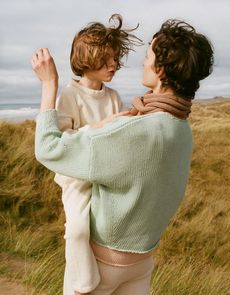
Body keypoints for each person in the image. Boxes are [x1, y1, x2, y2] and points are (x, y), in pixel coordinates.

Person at [32, 19, 213, 295]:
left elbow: (48, 148)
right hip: (142, 262)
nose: (142, 63)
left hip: (102, 267)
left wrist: (49, 83)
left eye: (147, 57)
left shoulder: (135, 128)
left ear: (161, 70)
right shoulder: (182, 129)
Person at [51, 14, 141, 295]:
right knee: (78, 230)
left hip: (107, 175)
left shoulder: (113, 97)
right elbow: (63, 141)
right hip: (77, 177)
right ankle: (82, 283)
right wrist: (100, 127)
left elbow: (117, 139)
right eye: (107, 59)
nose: (114, 64)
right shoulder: (70, 94)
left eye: (115, 58)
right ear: (87, 59)